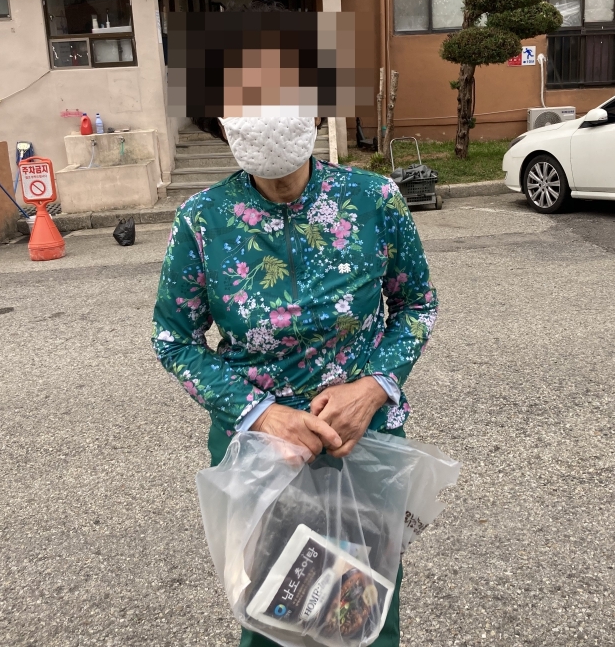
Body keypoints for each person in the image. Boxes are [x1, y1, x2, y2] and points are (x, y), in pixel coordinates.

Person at [152, 116, 438, 647]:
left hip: (364, 442)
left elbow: (416, 304)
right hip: (260, 452)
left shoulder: (375, 199)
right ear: (221, 120)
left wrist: (375, 386)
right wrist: (262, 415)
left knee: (363, 612)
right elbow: (174, 339)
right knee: (273, 613)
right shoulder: (202, 220)